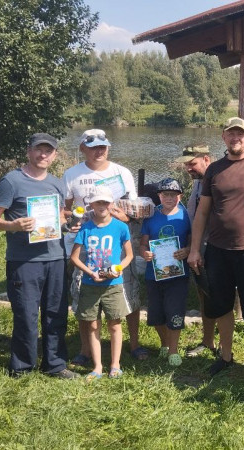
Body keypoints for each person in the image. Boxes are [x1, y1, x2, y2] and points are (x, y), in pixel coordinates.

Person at [187, 117, 244, 382]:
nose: (235, 138)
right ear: (224, 137)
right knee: (221, 305)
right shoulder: (214, 170)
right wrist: (195, 250)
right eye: (231, 134)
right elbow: (202, 213)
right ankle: (226, 356)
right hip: (218, 250)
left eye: (240, 134)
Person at [0, 133, 78, 379]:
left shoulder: (57, 183)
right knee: (26, 315)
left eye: (48, 151)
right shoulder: (11, 181)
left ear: (54, 155)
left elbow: (60, 216)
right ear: (29, 151)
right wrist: (13, 225)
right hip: (24, 261)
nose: (43, 154)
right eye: (38, 149)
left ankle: (55, 365)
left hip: (55, 257)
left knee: (56, 313)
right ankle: (22, 367)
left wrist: (68, 225)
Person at [62, 129, 148, 364]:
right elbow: (65, 210)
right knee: (84, 295)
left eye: (103, 146)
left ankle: (134, 344)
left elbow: (133, 210)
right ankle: (85, 350)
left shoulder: (122, 172)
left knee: (128, 292)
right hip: (85, 243)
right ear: (82, 148)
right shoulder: (71, 174)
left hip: (116, 243)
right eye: (93, 147)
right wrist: (74, 218)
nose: (99, 151)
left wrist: (126, 216)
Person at [69, 186, 134, 380]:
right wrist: (90, 273)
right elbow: (74, 258)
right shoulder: (85, 228)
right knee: (92, 325)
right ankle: (97, 367)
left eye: (106, 202)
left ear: (111, 204)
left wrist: (118, 269)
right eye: (98, 202)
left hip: (113, 285)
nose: (102, 206)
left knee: (115, 324)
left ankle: (115, 365)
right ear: (92, 205)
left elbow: (129, 255)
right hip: (90, 284)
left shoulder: (121, 227)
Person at [139, 178, 191, 367]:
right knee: (156, 313)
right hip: (154, 273)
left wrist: (187, 250)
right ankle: (164, 343)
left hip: (178, 274)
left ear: (180, 196)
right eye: (165, 194)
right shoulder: (151, 216)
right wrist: (144, 253)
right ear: (159, 196)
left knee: (175, 310)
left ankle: (174, 350)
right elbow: (143, 243)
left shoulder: (186, 216)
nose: (169, 198)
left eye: (173, 195)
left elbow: (192, 241)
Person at [173, 143, 219, 358]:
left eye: (192, 164)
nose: (188, 169)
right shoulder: (200, 181)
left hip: (214, 248)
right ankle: (208, 341)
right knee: (203, 295)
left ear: (206, 159)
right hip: (198, 248)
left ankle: (223, 345)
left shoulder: (217, 179)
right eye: (186, 165)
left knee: (217, 295)